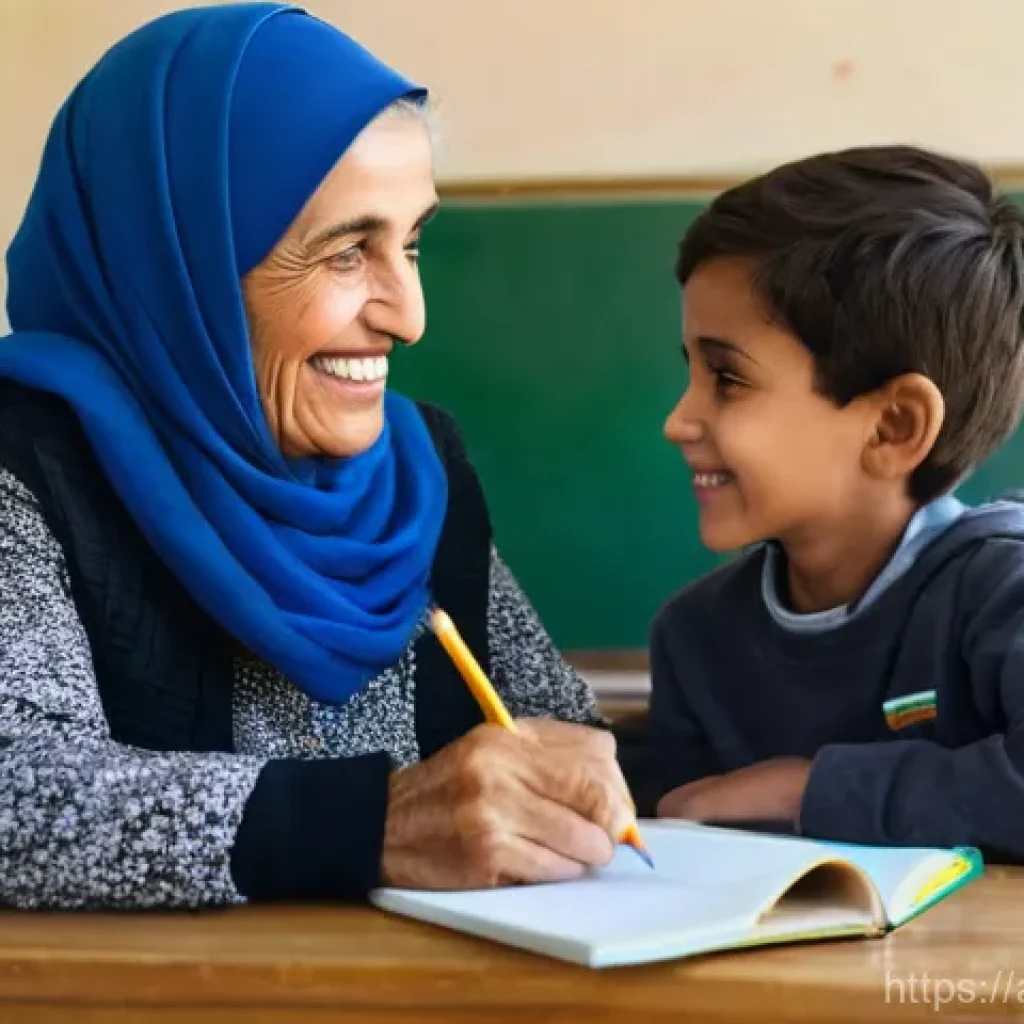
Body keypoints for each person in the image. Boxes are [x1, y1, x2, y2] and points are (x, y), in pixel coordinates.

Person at [0, 3, 635, 909]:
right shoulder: (27, 457)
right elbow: (14, 795)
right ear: (184, 262)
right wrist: (372, 823)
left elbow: (555, 730)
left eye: (411, 244)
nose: (409, 316)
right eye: (346, 254)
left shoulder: (420, 472)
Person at [648, 145, 1024, 861]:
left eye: (726, 379)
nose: (677, 421)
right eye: (690, 372)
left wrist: (806, 789)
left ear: (894, 426)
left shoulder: (1001, 589)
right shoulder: (695, 638)